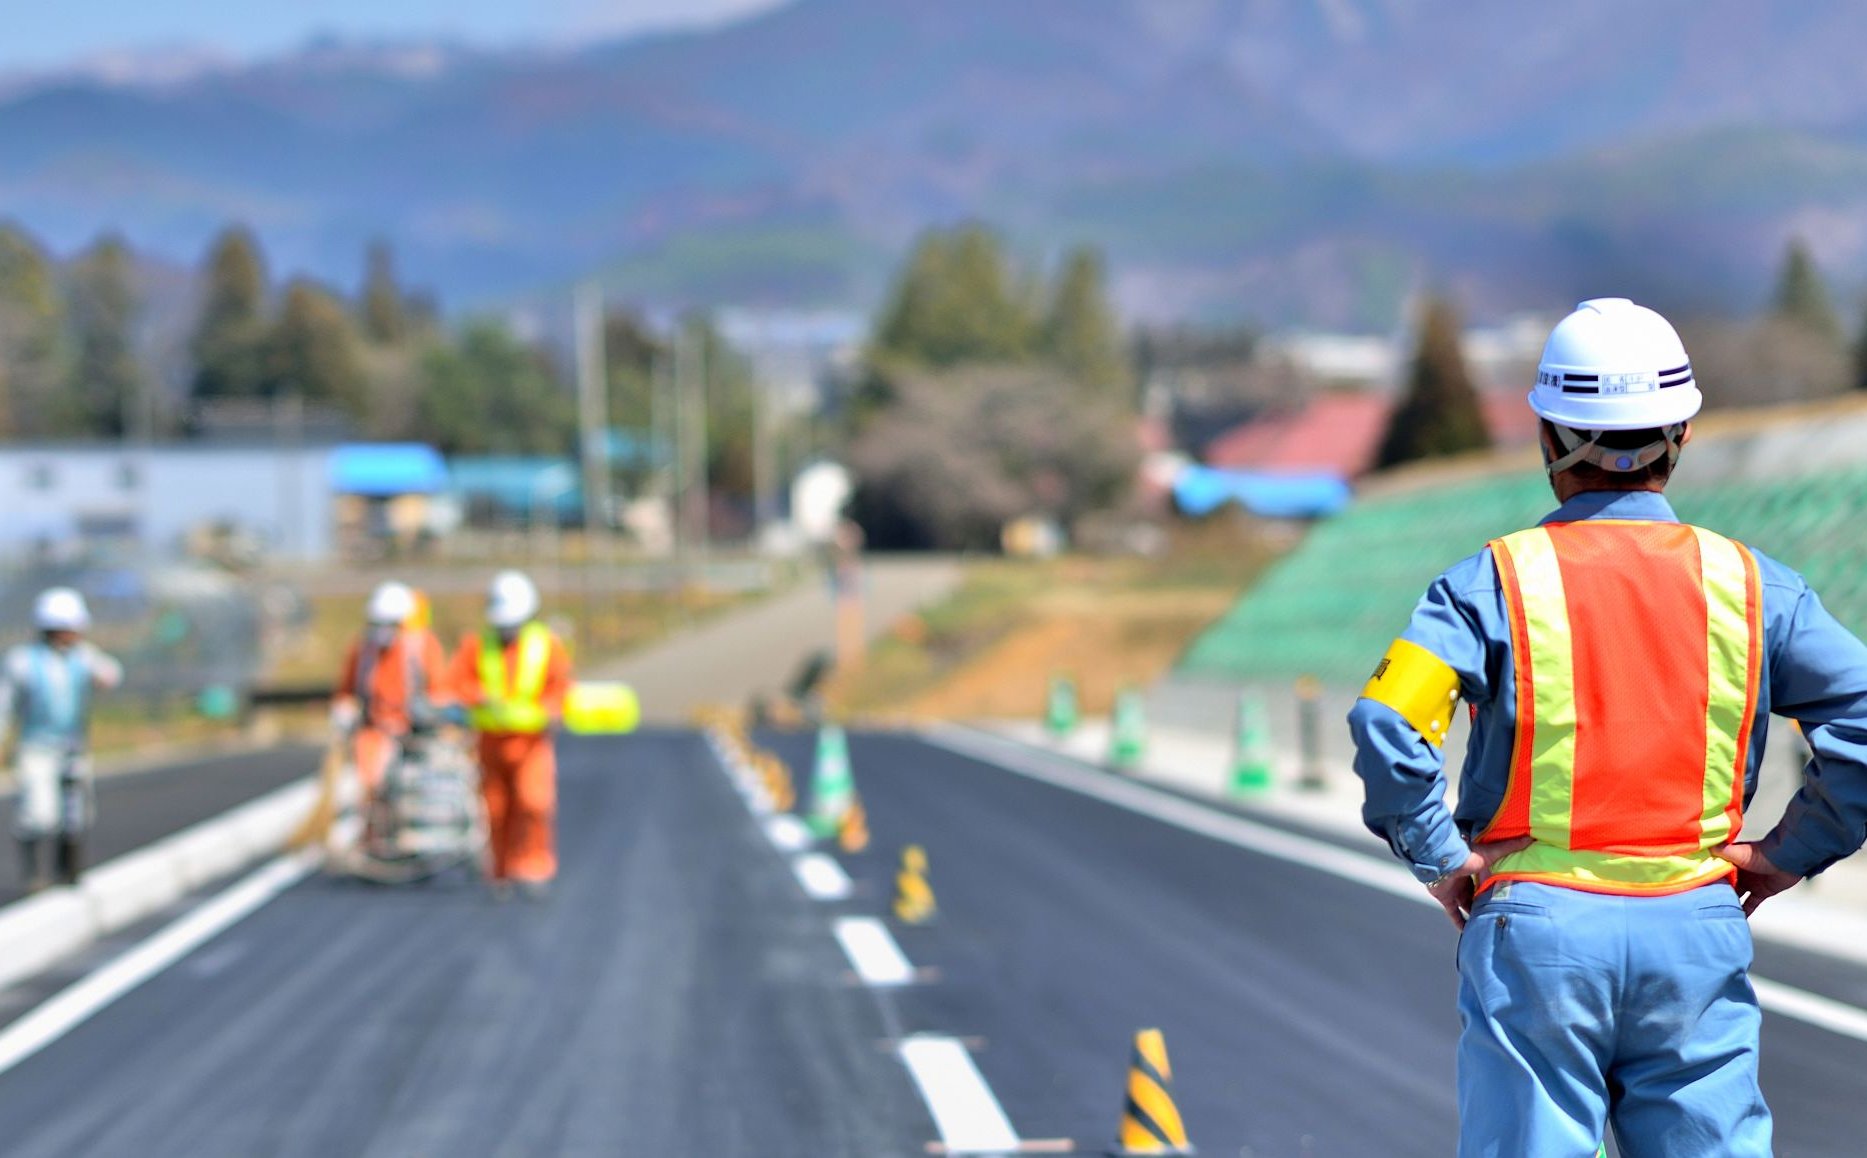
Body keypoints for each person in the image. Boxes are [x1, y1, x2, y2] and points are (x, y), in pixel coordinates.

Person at [1348, 298, 1867, 1157]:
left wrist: (1439, 858)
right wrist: (1787, 852)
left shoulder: (1488, 583)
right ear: (1682, 435)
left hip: (1536, 928)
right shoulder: (1753, 586)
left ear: (1548, 438)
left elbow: (1386, 718)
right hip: (1695, 921)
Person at [450, 570, 571, 900]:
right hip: (489, 741)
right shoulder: (478, 645)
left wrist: (553, 709)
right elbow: (456, 683)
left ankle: (532, 868)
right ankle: (500, 872)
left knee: (533, 803)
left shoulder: (545, 646)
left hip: (530, 742)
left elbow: (560, 686)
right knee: (496, 808)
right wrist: (477, 695)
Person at [0, 588, 123, 890]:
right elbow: (4, 703)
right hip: (36, 747)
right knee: (39, 813)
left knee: (75, 812)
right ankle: (33, 872)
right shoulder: (23, 661)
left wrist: (97, 670)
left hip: (72, 746)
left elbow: (111, 674)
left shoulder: (83, 657)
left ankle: (68, 870)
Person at [331, 581, 452, 815]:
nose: (382, 631)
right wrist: (343, 711)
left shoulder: (421, 646)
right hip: (375, 733)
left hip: (417, 734)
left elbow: (440, 691)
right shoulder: (364, 650)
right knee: (368, 786)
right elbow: (346, 690)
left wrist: (433, 714)